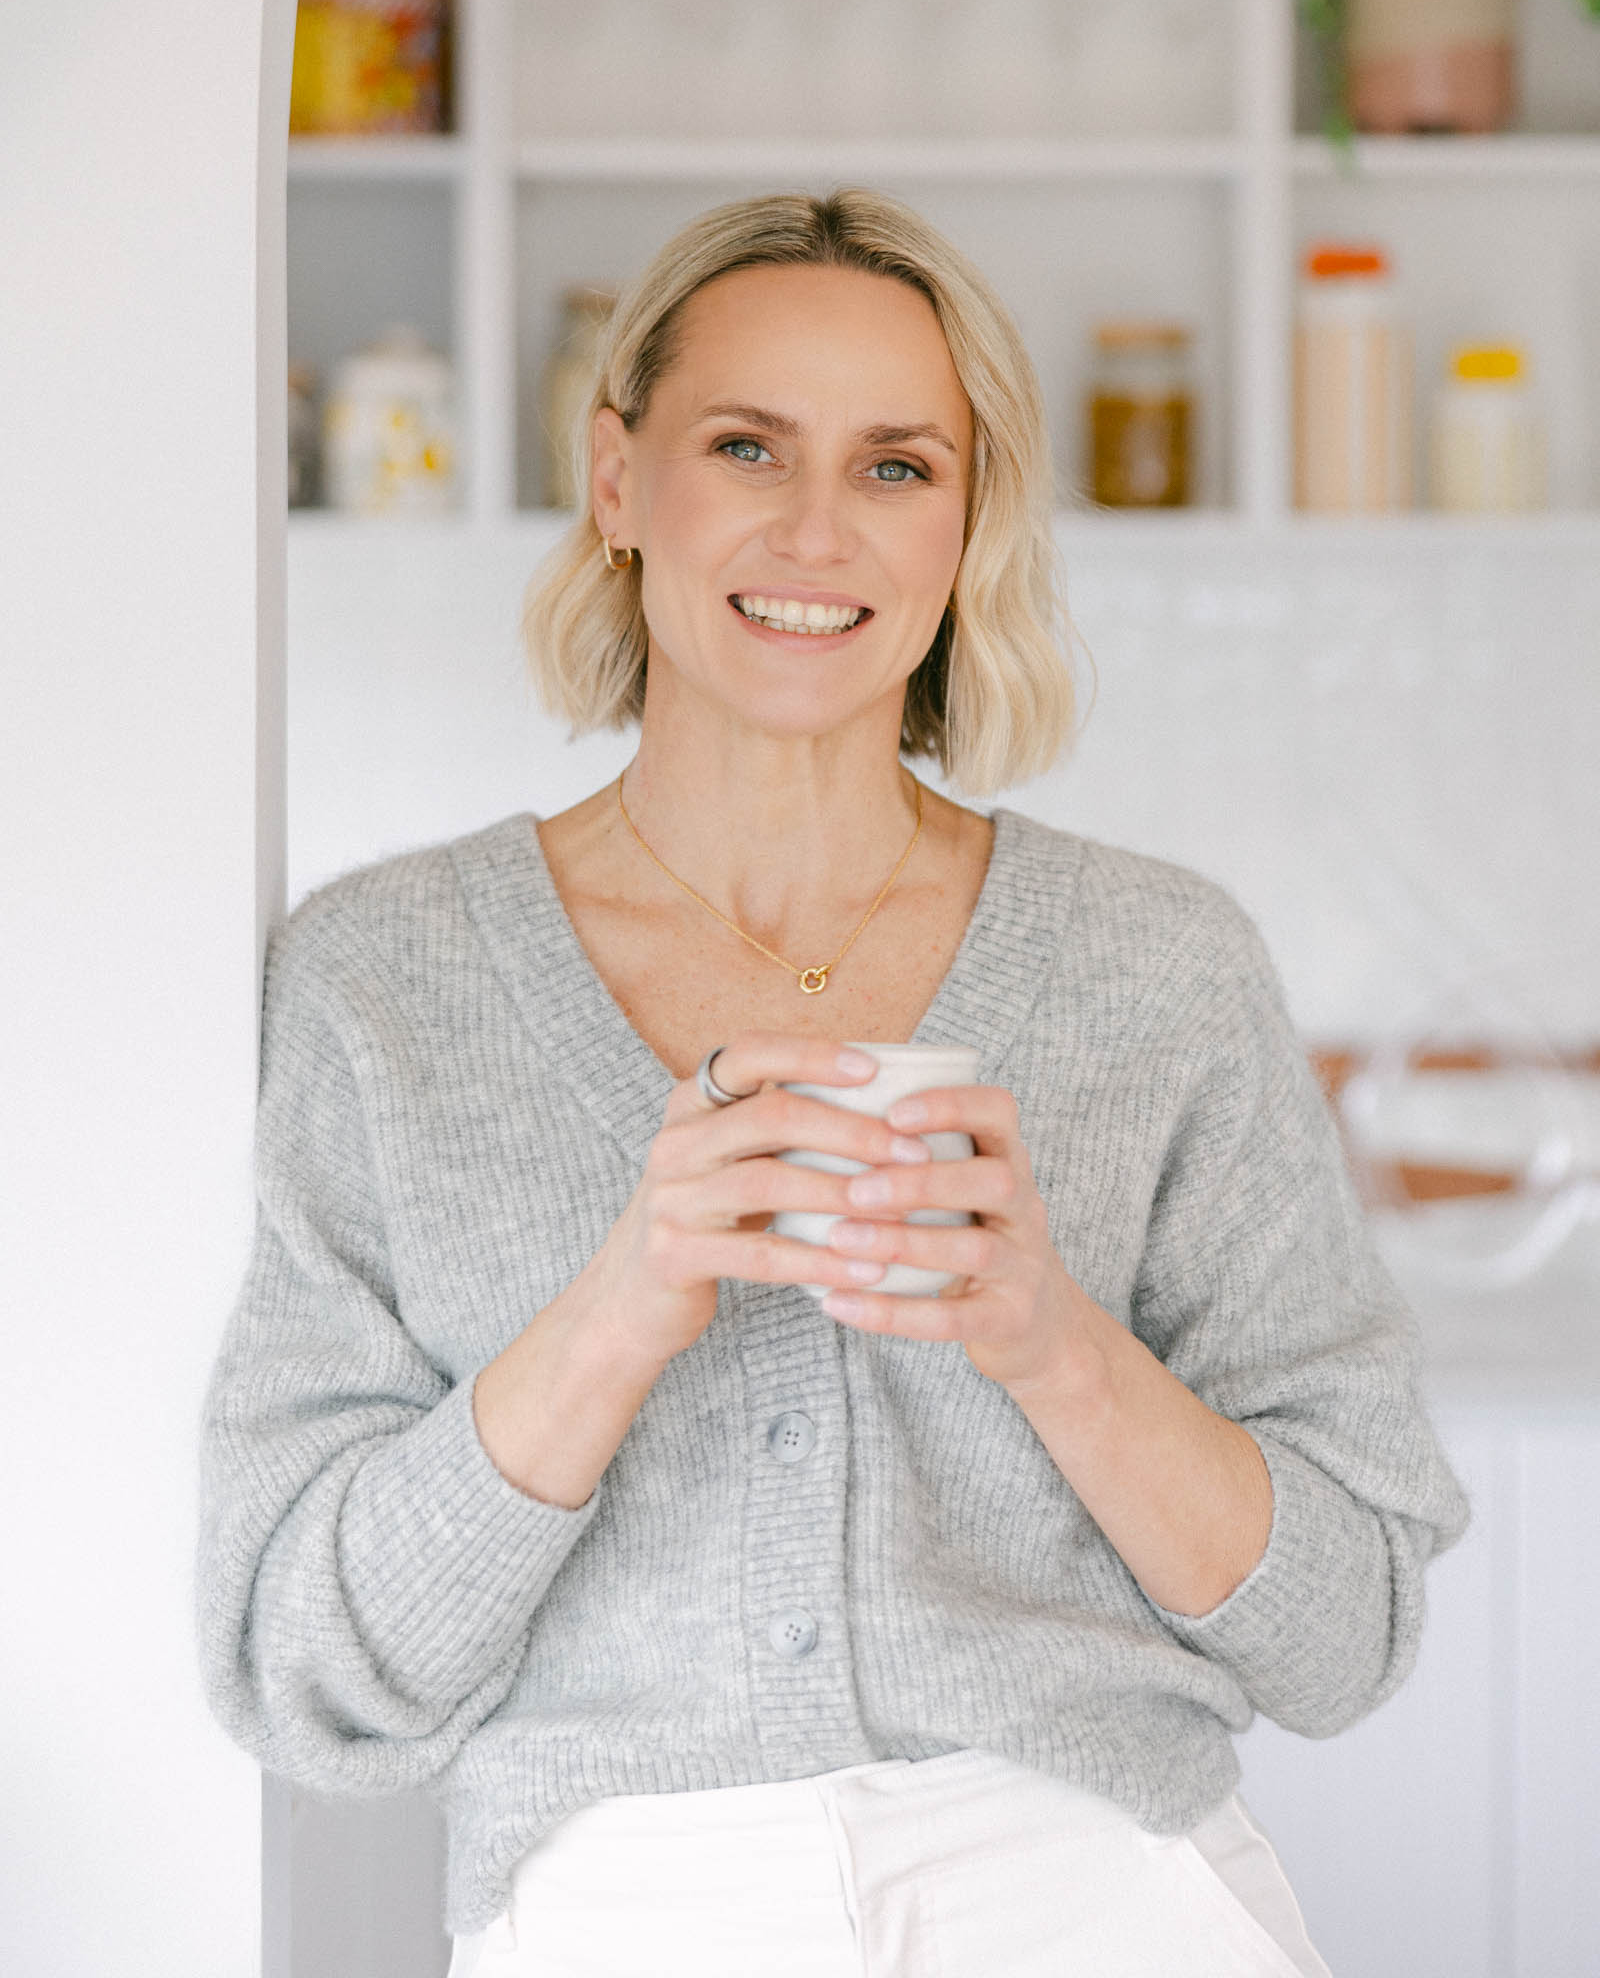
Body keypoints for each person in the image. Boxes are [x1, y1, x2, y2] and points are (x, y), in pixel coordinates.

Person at [198, 189, 1468, 1977]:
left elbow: (1347, 1635)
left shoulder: (1158, 967)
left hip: (1100, 1881)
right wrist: (624, 1307)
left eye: (896, 468)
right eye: (747, 446)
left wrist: (1051, 1340)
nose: (819, 530)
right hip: (625, 1907)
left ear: (968, 526)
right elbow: (304, 1677)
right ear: (619, 478)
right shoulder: (378, 981)